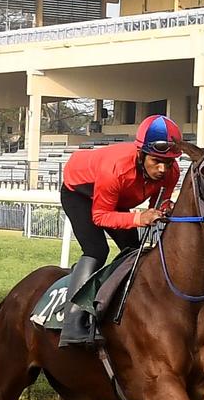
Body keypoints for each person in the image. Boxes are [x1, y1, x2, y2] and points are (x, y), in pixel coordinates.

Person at [58, 114, 183, 347]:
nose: (163, 169)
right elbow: (100, 216)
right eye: (157, 160)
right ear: (141, 153)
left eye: (169, 162)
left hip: (117, 197)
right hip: (81, 193)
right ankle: (72, 322)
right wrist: (138, 218)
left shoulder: (171, 171)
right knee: (97, 250)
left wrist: (165, 209)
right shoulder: (116, 169)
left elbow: (159, 203)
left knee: (133, 251)